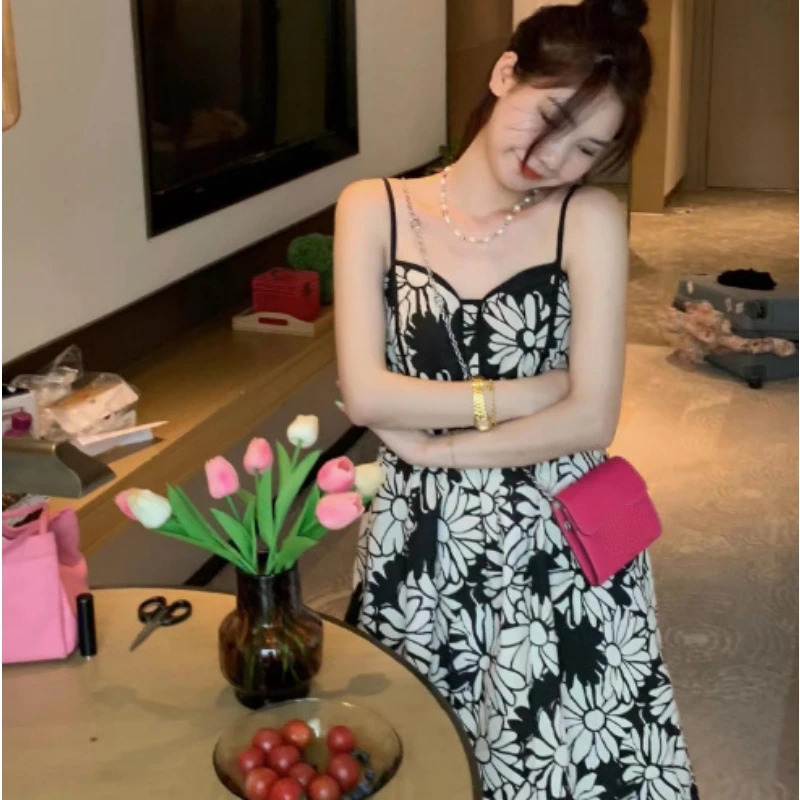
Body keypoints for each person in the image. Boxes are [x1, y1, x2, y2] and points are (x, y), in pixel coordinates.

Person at [334, 0, 699, 797]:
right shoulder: (373, 207)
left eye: (588, 147)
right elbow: (365, 394)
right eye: (550, 118)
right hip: (420, 533)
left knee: (573, 751)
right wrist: (536, 389)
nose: (553, 157)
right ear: (505, 74)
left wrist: (441, 450)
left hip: (558, 526)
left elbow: (591, 419)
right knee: (424, 748)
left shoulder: (588, 216)